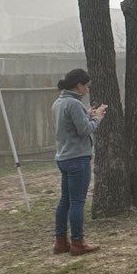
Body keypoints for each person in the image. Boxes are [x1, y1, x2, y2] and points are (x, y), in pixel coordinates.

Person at [52, 68, 105, 255]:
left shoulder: (59, 102)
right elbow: (84, 130)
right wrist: (97, 118)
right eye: (86, 86)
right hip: (77, 158)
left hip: (63, 156)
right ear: (78, 85)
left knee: (65, 200)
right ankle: (77, 242)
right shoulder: (73, 104)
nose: (88, 90)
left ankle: (60, 241)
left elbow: (71, 125)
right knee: (77, 202)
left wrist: (88, 114)